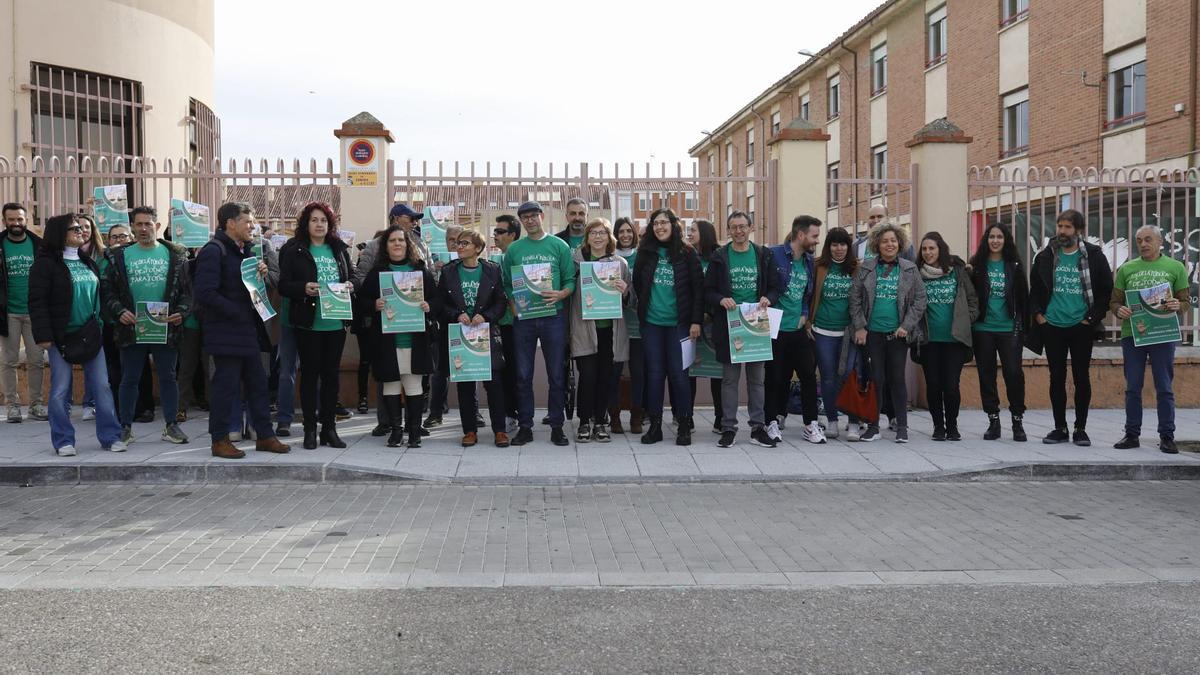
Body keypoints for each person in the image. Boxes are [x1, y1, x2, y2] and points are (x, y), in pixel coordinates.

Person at [193, 202, 289, 459]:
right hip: (225, 332)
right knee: (226, 386)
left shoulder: (245, 251)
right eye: (247, 222)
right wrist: (236, 311)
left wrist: (260, 275)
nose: (252, 226)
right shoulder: (214, 251)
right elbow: (204, 293)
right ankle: (220, 440)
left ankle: (265, 436)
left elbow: (246, 286)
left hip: (247, 330)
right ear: (230, 223)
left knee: (258, 384)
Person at [29, 214, 124, 455]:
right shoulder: (45, 264)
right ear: (59, 233)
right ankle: (63, 441)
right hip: (60, 337)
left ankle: (111, 436)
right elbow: (37, 303)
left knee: (102, 386)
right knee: (61, 389)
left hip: (90, 335)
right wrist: (43, 336)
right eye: (74, 228)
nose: (81, 231)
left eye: (82, 228)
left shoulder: (86, 261)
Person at [101, 205, 191, 446]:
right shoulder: (118, 255)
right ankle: (125, 427)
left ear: (157, 226)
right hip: (132, 327)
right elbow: (107, 290)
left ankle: (172, 425)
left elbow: (187, 291)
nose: (143, 229)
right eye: (138, 224)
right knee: (129, 378)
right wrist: (119, 312)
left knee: (168, 377)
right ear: (132, 227)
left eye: (148, 224)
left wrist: (181, 312)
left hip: (165, 327)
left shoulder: (176, 254)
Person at [1028, 209, 1113, 446]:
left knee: (1081, 377)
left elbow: (1106, 290)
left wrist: (1092, 318)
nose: (1062, 231)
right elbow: (1034, 288)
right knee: (1056, 378)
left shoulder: (1094, 256)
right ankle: (1059, 427)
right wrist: (1038, 315)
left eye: (1067, 227)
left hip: (1081, 326)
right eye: (1060, 226)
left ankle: (1080, 428)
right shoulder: (1046, 256)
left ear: (1078, 230)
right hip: (1052, 325)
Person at [351, 203, 430, 438]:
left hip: (415, 336)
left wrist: (429, 305)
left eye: (402, 241)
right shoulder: (377, 268)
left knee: (414, 384)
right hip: (386, 337)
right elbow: (362, 296)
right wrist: (374, 304)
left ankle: (414, 429)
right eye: (393, 241)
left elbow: (435, 295)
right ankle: (393, 427)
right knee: (390, 383)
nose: (398, 243)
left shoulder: (419, 266)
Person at [279, 202, 353, 450]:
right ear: (306, 223)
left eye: (323, 220)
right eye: (314, 220)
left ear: (330, 224)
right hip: (309, 323)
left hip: (335, 322)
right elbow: (283, 285)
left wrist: (351, 285)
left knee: (331, 377)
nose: (319, 224)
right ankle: (310, 430)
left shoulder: (339, 249)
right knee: (310, 376)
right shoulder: (295, 249)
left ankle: (329, 429)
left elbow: (351, 276)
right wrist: (303, 288)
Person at [501, 201, 575, 447]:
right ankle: (525, 426)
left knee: (556, 374)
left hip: (553, 315)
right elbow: (507, 283)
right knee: (523, 375)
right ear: (521, 221)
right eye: (525, 217)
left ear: (542, 216)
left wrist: (561, 294)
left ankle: (557, 426)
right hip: (525, 318)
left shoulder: (559, 246)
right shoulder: (514, 250)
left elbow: (570, 280)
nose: (530, 220)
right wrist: (512, 302)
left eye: (534, 215)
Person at [1110, 225, 1189, 453]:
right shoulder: (1127, 269)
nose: (1143, 244)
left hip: (1162, 335)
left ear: (1159, 241)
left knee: (1164, 387)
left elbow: (1184, 302)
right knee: (1133, 387)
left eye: (1148, 239)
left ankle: (1167, 436)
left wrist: (1177, 305)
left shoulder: (1175, 267)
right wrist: (1119, 311)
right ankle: (1132, 435)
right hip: (1132, 335)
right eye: (1139, 241)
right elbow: (1114, 302)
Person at [705, 210, 780, 448]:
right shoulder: (719, 256)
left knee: (757, 379)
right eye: (733, 227)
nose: (738, 231)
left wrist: (768, 298)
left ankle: (758, 427)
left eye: (742, 226)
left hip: (756, 322)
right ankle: (728, 428)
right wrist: (720, 299)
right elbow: (708, 290)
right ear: (728, 230)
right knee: (729, 380)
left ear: (750, 227)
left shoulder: (763, 255)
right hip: (730, 323)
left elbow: (776, 287)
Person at [849, 221, 926, 443]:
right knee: (876, 379)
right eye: (884, 241)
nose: (889, 244)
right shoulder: (866, 268)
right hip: (872, 334)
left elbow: (921, 299)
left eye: (893, 240)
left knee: (897, 379)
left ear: (899, 243)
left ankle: (902, 427)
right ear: (877, 244)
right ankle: (874, 426)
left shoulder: (909, 269)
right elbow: (854, 299)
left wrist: (906, 326)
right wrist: (860, 326)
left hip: (897, 335)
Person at [635, 209, 702, 445]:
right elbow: (638, 285)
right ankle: (655, 425)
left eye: (664, 222)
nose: (659, 227)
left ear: (674, 225)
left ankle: (684, 423)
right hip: (652, 324)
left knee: (679, 376)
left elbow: (698, 291)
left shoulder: (687, 253)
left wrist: (696, 321)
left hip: (680, 326)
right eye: (655, 223)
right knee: (653, 376)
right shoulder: (645, 253)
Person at [437, 228, 510, 447]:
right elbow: (440, 303)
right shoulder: (449, 272)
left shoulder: (492, 270)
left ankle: (500, 430)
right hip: (460, 334)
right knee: (465, 385)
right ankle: (469, 431)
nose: (459, 247)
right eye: (458, 243)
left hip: (486, 334)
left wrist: (485, 316)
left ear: (478, 248)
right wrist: (455, 315)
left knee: (494, 383)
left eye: (465, 243)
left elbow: (501, 302)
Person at [571, 217, 632, 443]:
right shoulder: (576, 262)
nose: (598, 237)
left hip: (610, 331)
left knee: (606, 377)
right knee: (587, 376)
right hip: (584, 329)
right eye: (593, 232)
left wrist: (625, 291)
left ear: (609, 237)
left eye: (602, 232)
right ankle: (584, 421)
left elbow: (629, 299)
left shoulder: (620, 265)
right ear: (587, 237)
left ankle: (601, 422)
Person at [765, 215, 825, 444]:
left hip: (798, 329)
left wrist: (803, 314)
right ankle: (771, 421)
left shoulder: (809, 261)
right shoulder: (774, 254)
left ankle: (810, 424)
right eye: (814, 235)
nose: (817, 240)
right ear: (801, 235)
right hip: (774, 328)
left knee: (808, 376)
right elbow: (767, 287)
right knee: (775, 378)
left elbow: (806, 293)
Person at [913, 232, 978, 441]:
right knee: (933, 385)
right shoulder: (916, 274)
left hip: (954, 340)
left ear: (940, 248)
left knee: (950, 386)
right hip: (929, 340)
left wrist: (965, 320)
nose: (928, 252)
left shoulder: (957, 272)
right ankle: (938, 427)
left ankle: (952, 426)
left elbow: (972, 301)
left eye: (932, 248)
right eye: (924, 249)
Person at [969, 223, 1029, 442]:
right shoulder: (976, 265)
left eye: (999, 237)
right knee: (987, 375)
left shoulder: (1014, 265)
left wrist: (1022, 327)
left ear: (1006, 240)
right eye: (991, 236)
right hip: (982, 328)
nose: (995, 240)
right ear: (986, 239)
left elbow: (1023, 297)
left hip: (1009, 328)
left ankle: (1017, 420)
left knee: (1013, 374)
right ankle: (993, 420)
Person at [809, 226, 860, 440]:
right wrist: (807, 323)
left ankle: (854, 422)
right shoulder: (818, 266)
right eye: (834, 244)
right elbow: (808, 295)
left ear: (849, 247)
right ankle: (831, 421)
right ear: (828, 246)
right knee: (828, 378)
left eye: (843, 244)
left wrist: (861, 327)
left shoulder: (857, 268)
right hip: (822, 330)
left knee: (849, 376)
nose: (839, 248)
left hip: (849, 332)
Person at [1, 202, 47, 423]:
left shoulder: (38, 245)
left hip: (34, 312)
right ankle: (12, 406)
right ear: (4, 222)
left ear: (25, 220)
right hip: (8, 312)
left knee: (36, 359)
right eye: (11, 220)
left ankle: (36, 404)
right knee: (8, 361)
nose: (16, 223)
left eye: (19, 219)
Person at [687, 219, 724, 435]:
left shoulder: (720, 257)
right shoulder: (687, 255)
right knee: (689, 370)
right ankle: (687, 416)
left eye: (693, 230)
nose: (689, 233)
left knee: (717, 372)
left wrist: (710, 313)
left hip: (713, 322)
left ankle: (720, 418)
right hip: (691, 322)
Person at [611, 216, 644, 434]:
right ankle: (614, 417)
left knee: (639, 373)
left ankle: (637, 416)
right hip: (616, 324)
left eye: (629, 231)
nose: (625, 235)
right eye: (621, 231)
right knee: (614, 373)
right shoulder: (608, 260)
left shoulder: (643, 258)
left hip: (639, 325)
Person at [492, 214, 521, 433]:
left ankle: (516, 413)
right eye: (495, 231)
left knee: (517, 370)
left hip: (520, 322)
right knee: (503, 371)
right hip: (500, 323)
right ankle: (508, 412)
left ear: (513, 235)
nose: (496, 235)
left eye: (500, 232)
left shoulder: (520, 255)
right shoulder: (494, 260)